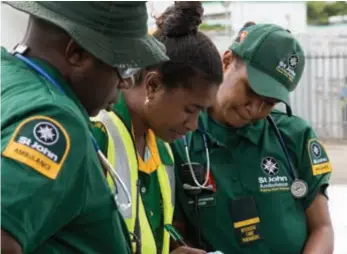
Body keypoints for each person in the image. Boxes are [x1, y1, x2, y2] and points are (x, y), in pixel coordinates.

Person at [1, 1, 168, 253]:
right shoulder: (54, 120)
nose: (124, 83)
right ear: (77, 53)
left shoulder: (9, 78)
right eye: (123, 66)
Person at [171, 22, 334, 254]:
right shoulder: (180, 139)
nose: (255, 109)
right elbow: (173, 231)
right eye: (250, 91)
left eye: (269, 102)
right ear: (227, 62)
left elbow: (322, 228)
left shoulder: (295, 135)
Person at [91, 2, 223, 254]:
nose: (194, 125)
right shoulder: (95, 136)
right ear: (152, 85)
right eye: (189, 109)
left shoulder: (163, 151)